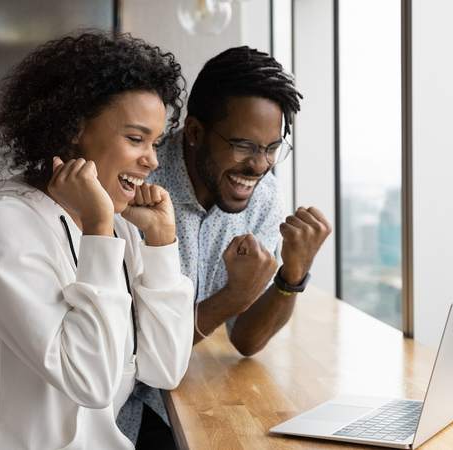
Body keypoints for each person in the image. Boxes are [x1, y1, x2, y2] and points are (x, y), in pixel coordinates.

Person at [0, 31, 193, 450]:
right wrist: (97, 227)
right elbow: (90, 382)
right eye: (135, 139)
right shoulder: (3, 225)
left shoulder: (122, 226)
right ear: (74, 127)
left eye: (155, 142)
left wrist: (162, 242)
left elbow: (164, 369)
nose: (152, 160)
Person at [118, 46, 331, 447]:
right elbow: (141, 355)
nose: (260, 165)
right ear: (195, 133)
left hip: (184, 398)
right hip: (122, 412)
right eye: (244, 146)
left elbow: (247, 340)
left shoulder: (263, 196)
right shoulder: (137, 185)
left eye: (271, 148)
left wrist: (292, 275)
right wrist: (234, 295)